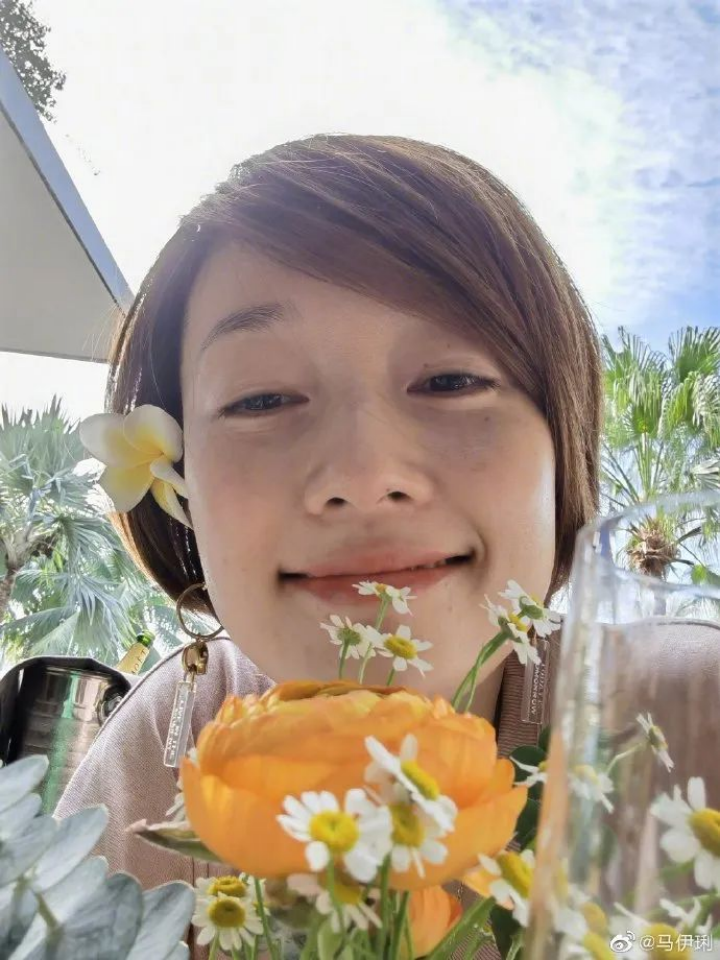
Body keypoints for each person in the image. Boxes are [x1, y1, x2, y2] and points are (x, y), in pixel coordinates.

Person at [55, 133, 714, 958]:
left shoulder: (693, 719)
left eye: (450, 381)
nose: (364, 476)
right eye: (261, 399)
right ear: (179, 477)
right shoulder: (172, 750)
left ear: (563, 442)